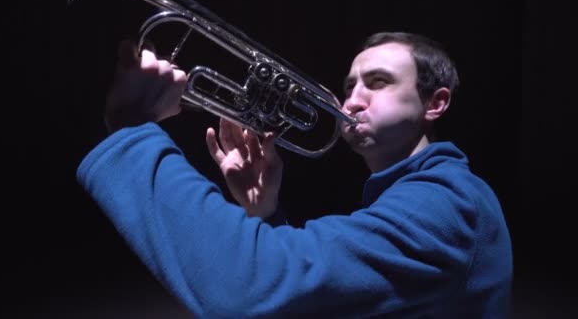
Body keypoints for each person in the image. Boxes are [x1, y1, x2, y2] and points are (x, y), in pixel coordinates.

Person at [76, 32, 513, 318]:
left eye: (378, 83)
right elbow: (336, 301)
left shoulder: (446, 201)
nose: (351, 101)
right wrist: (266, 215)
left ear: (435, 104)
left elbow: (247, 286)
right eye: (348, 86)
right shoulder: (416, 193)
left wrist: (134, 129)